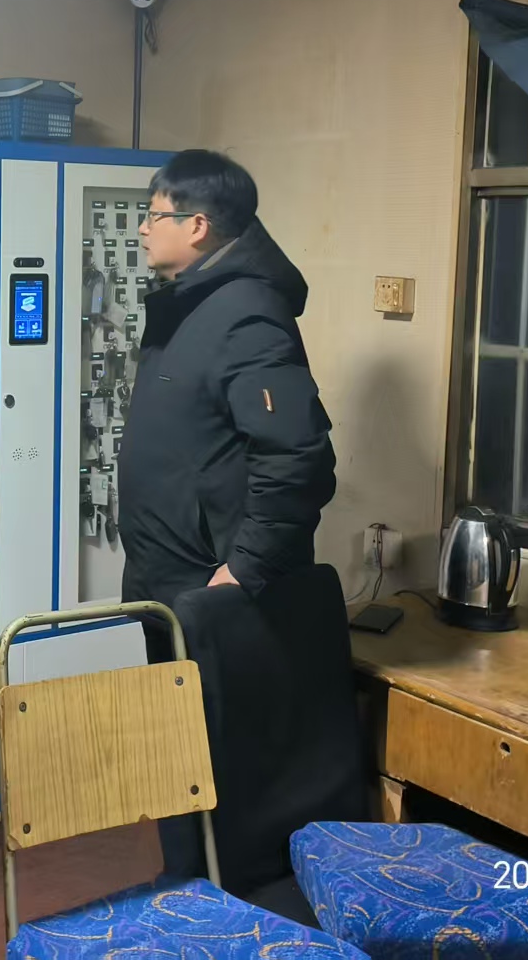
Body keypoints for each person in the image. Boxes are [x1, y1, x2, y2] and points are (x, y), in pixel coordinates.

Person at [118, 150, 337, 868]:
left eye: (154, 214)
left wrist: (243, 570)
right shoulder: (188, 306)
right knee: (174, 759)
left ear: (198, 225)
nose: (143, 228)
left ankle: (226, 903)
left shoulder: (246, 315)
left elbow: (297, 456)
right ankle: (184, 887)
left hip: (214, 589)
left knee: (219, 766)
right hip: (165, 579)